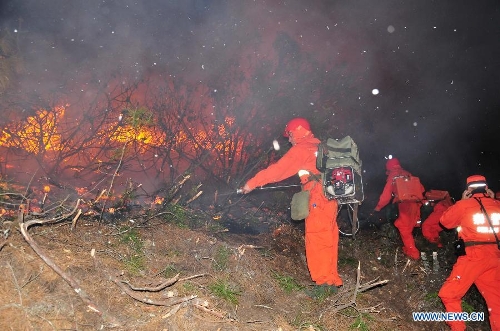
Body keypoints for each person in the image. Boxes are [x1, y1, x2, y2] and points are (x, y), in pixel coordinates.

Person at [240, 117, 343, 289]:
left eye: (289, 134)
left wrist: (251, 184)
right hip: (331, 197)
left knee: (317, 237)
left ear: (298, 131)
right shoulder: (322, 147)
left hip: (317, 197)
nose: (289, 139)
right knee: (329, 236)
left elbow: (278, 170)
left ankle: (324, 283)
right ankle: (331, 279)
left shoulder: (302, 149)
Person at [438, 174, 500, 331]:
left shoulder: (464, 205)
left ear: (468, 189)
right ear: (487, 188)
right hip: (494, 256)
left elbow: (445, 222)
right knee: (496, 302)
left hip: (474, 257)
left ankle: (458, 328)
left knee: (449, 294)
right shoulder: (497, 205)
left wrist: (462, 201)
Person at [374, 157, 425, 260]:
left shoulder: (393, 175)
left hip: (405, 204)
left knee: (403, 227)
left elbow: (386, 195)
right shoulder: (407, 172)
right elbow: (421, 188)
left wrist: (378, 207)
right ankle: (410, 248)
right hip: (416, 203)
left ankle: (413, 253)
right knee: (407, 227)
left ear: (389, 167)